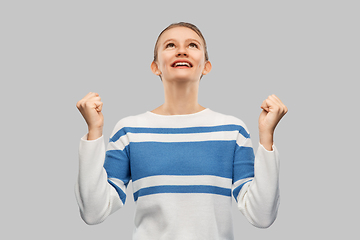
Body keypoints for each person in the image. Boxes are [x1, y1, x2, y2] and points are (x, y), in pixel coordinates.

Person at [75, 22, 287, 239]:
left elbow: (262, 216)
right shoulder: (129, 131)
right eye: (170, 45)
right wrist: (94, 130)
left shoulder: (233, 131)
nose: (182, 50)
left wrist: (266, 136)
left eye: (193, 45)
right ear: (155, 66)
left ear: (206, 66)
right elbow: (93, 213)